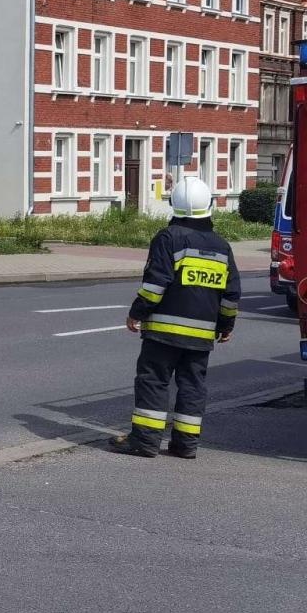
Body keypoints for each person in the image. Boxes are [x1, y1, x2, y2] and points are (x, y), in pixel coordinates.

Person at [111, 175, 240, 459]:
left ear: (174, 205)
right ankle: (185, 445)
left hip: (163, 332)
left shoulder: (168, 238)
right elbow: (231, 294)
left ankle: (145, 441)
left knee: (154, 381)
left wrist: (136, 312)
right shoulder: (222, 246)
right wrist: (225, 325)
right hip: (201, 337)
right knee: (193, 387)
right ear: (209, 205)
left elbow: (156, 284)